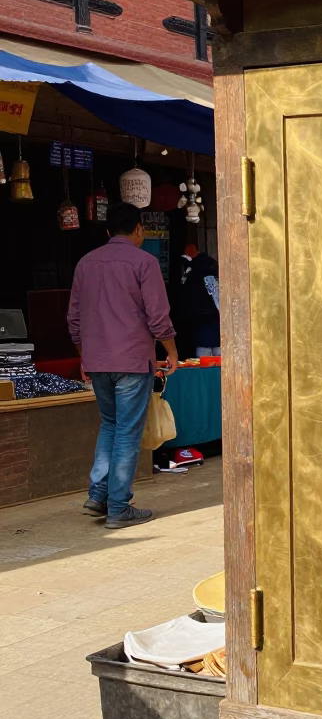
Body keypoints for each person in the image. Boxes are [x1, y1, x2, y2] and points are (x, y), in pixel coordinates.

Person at [67, 202, 178, 526]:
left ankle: (99, 495)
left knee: (111, 425)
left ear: (107, 232)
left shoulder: (86, 264)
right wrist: (170, 350)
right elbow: (158, 316)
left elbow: (74, 320)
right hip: (131, 359)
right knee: (127, 431)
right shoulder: (144, 262)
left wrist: (83, 355)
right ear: (139, 229)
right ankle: (118, 506)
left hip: (98, 360)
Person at [179, 244, 220, 356]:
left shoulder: (190, 271)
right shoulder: (215, 267)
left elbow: (186, 299)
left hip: (200, 326)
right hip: (219, 326)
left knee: (203, 365)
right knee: (222, 365)